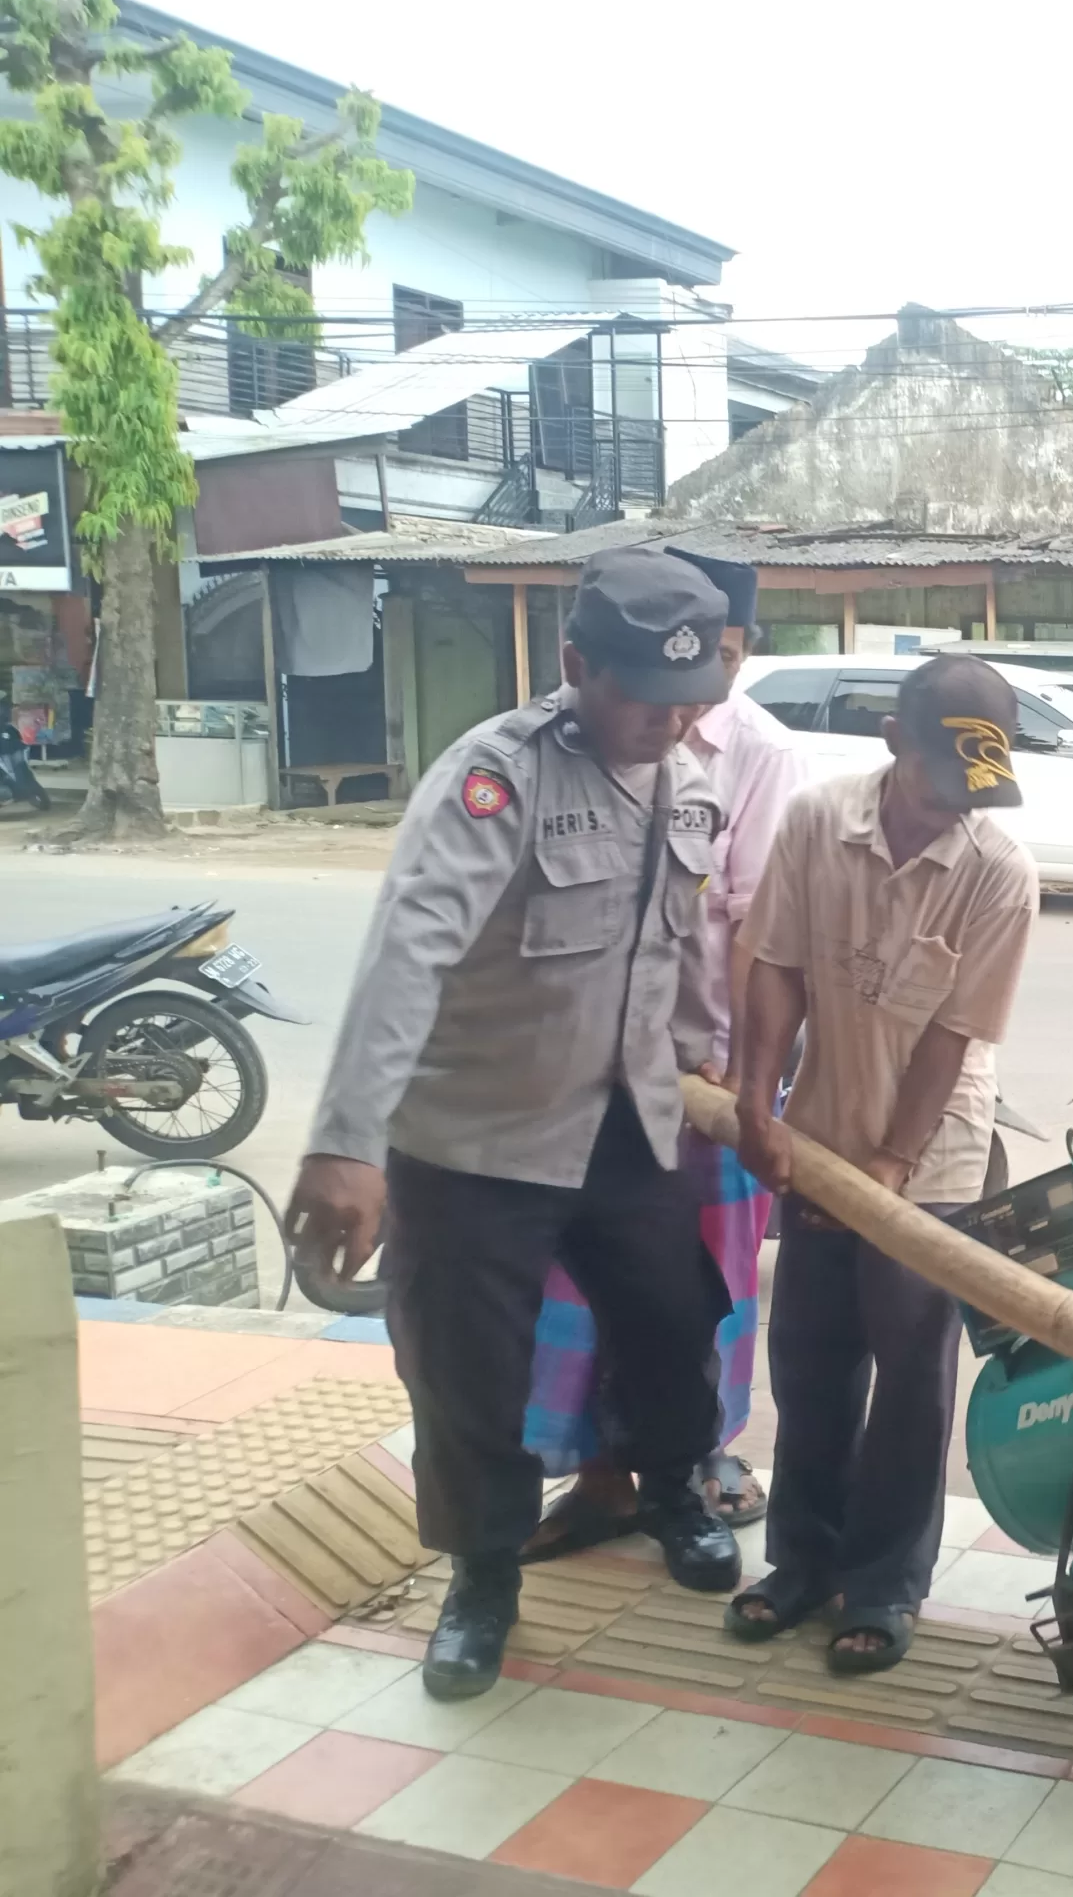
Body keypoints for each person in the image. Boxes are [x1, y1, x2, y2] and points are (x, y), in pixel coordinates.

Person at [287, 545, 744, 1700]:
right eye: (640, 691)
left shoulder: (688, 777)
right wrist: (347, 1141)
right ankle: (483, 1574)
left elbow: (684, 945)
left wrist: (712, 1063)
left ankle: (675, 1491)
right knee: (465, 1373)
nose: (665, 717)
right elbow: (409, 949)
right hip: (477, 1140)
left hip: (629, 1125)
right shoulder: (496, 777)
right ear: (575, 663)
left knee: (671, 1322)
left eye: (687, 696)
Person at [723, 653, 1038, 1673]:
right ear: (894, 744)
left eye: (972, 795)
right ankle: (801, 1562)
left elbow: (950, 1041)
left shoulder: (999, 873)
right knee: (810, 1359)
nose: (953, 811)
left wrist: (896, 1168)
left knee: (909, 1374)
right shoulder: (819, 821)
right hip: (815, 1134)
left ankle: (885, 1584)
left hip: (932, 1156)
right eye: (940, 784)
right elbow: (775, 970)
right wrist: (757, 1107)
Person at [521, 554, 802, 1554]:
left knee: (702, 1288)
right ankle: (602, 1480)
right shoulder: (553, 744)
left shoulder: (759, 753)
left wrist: (732, 1073)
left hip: (707, 1082)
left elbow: (756, 929)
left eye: (721, 658)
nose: (694, 695)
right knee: (580, 1288)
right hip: (580, 1084)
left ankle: (689, 1473)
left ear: (744, 649)